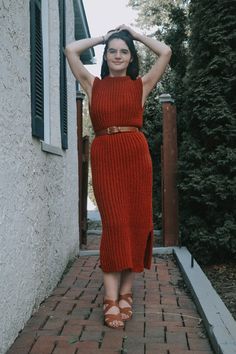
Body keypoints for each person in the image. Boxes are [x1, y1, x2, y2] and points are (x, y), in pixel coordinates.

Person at [65, 24, 171, 329]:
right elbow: (71, 50)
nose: (117, 55)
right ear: (106, 55)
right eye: (112, 51)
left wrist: (134, 34)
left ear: (130, 56)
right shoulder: (92, 83)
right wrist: (104, 36)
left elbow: (166, 52)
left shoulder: (141, 85)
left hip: (136, 155)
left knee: (136, 224)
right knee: (114, 225)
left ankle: (125, 293)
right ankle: (109, 299)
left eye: (123, 51)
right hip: (106, 155)